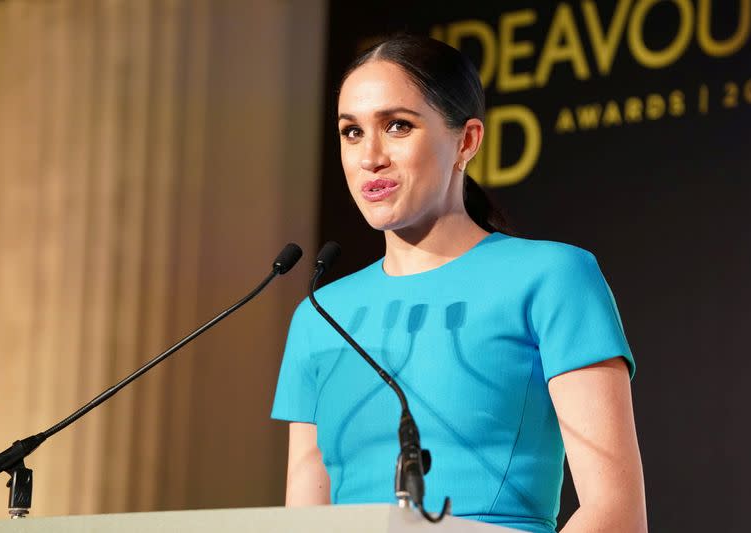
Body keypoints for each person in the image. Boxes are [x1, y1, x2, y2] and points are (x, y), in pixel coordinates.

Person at [271, 34, 646, 533]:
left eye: (397, 126)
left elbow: (615, 512)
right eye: (352, 132)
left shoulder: (553, 277)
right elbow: (304, 523)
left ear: (466, 141)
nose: (370, 157)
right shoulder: (320, 314)